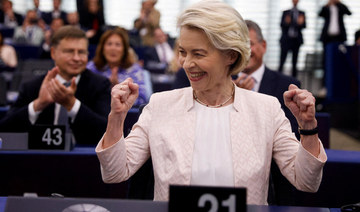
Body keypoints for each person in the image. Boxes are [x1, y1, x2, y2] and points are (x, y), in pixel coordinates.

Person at [95, 0, 327, 205]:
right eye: (183, 52)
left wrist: (308, 127)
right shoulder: (159, 105)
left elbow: (306, 181)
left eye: (198, 54)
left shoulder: (266, 109)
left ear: (230, 55)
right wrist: (116, 118)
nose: (186, 63)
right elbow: (115, 173)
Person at [0, 25, 111, 145]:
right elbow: (4, 130)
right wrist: (38, 104)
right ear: (53, 53)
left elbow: (107, 132)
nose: (76, 58)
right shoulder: (32, 87)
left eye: (82, 52)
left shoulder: (100, 85)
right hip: (38, 160)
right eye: (69, 51)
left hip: (84, 160)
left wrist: (72, 105)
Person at [234, 20, 301, 138]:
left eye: (249, 44)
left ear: (263, 46)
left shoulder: (287, 86)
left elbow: (294, 135)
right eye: (238, 45)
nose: (244, 51)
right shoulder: (220, 83)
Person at [87, 27, 150, 106]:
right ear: (102, 48)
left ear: (124, 50)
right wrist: (106, 88)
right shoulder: (91, 68)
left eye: (118, 45)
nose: (113, 48)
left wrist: (119, 89)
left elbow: (143, 100)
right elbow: (83, 96)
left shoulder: (134, 69)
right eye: (109, 44)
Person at [318, 0, 351, 88]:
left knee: (339, 62)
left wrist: (339, 3)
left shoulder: (340, 7)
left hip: (339, 38)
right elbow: (320, 14)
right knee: (325, 62)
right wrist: (327, 5)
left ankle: (338, 84)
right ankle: (325, 86)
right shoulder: (327, 7)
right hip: (327, 39)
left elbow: (349, 12)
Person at [278, 0, 306, 78]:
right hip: (286, 41)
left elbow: (304, 25)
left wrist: (300, 23)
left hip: (296, 41)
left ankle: (294, 81)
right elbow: (281, 24)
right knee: (282, 62)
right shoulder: (286, 12)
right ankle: (278, 79)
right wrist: (287, 22)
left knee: (295, 63)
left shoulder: (301, 13)